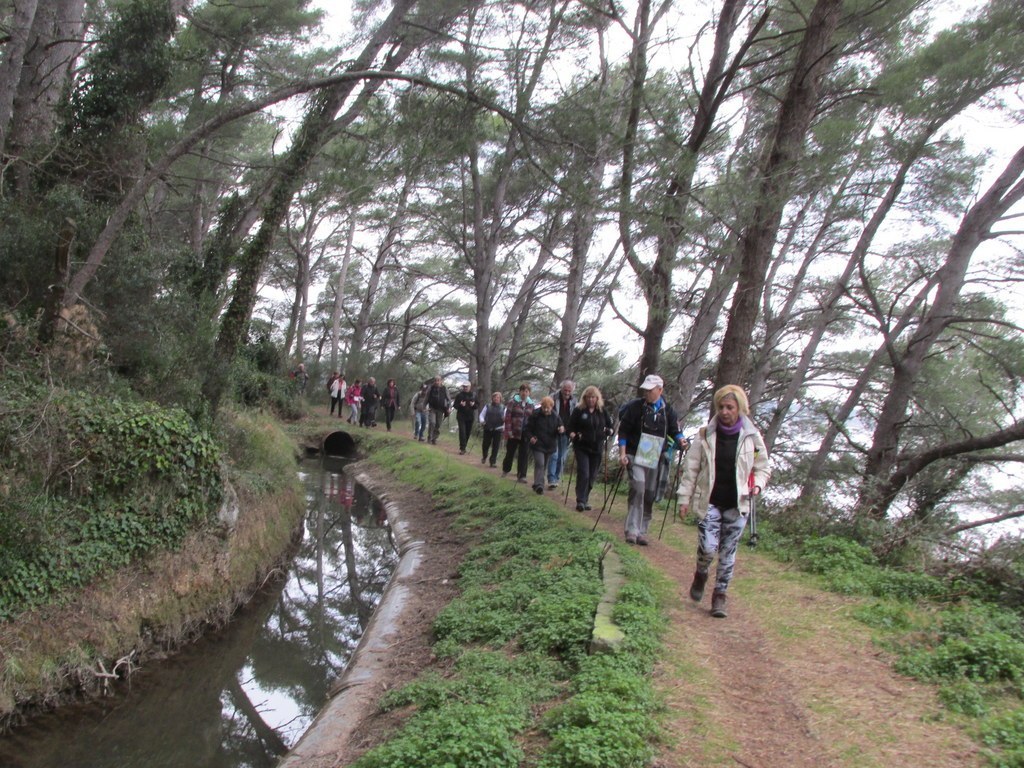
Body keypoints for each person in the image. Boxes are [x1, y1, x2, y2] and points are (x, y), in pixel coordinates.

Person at [678, 385, 770, 619]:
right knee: (708, 548)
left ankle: (720, 595)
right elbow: (692, 468)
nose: (725, 411)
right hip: (709, 501)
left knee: (728, 553)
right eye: (721, 407)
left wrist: (757, 485)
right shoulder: (705, 435)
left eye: (730, 407)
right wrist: (684, 498)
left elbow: (763, 468)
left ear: (740, 408)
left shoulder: (752, 437)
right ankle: (701, 572)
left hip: (738, 504)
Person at [617, 374, 685, 546]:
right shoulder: (635, 407)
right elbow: (623, 431)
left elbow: (674, 430)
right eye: (645, 390)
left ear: (660, 390)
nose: (646, 393)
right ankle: (632, 530)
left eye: (650, 390)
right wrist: (622, 454)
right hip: (634, 454)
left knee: (649, 493)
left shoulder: (667, 410)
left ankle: (642, 531)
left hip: (655, 456)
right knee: (638, 488)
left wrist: (681, 440)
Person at [568, 385, 614, 512]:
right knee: (584, 473)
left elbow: (610, 426)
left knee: (592, 475)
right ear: (585, 398)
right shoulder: (579, 410)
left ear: (597, 398)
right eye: (588, 397)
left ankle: (585, 498)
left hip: (597, 447)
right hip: (581, 446)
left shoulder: (602, 411)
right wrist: (573, 435)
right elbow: (570, 427)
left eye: (593, 397)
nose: (591, 400)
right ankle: (580, 501)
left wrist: (609, 431)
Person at [525, 396, 563, 494]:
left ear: (552, 407)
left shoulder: (555, 416)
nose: (546, 409)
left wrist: (561, 430)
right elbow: (528, 429)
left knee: (544, 465)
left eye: (548, 407)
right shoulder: (535, 415)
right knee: (540, 463)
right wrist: (531, 437)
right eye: (544, 407)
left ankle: (537, 483)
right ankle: (539, 485)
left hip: (550, 445)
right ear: (541, 406)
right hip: (538, 444)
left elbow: (560, 429)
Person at [502, 383, 534, 482]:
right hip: (514, 431)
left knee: (524, 454)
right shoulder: (513, 402)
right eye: (523, 391)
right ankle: (506, 469)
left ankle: (521, 475)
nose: (524, 393)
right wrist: (508, 431)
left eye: (526, 391)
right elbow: (507, 417)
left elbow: (533, 419)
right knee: (510, 452)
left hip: (525, 433)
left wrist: (532, 433)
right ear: (519, 391)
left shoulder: (531, 404)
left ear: (529, 393)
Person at [547, 379, 576, 489]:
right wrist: (557, 425)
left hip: (567, 432)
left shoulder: (574, 401)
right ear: (561, 388)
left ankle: (557, 477)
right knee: (554, 455)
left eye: (569, 390)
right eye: (565, 390)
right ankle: (551, 479)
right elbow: (547, 412)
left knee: (562, 457)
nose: (567, 393)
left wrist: (571, 430)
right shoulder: (553, 397)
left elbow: (574, 417)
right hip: (553, 430)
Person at [478, 392, 505, 467]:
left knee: (496, 446)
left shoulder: (503, 408)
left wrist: (504, 426)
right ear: (492, 398)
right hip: (488, 428)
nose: (496, 398)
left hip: (498, 429)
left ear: (500, 399)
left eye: (498, 397)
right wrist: (482, 421)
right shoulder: (487, 406)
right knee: (485, 444)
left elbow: (506, 419)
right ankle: (484, 455)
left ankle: (493, 461)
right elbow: (481, 415)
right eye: (495, 397)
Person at [452, 382, 478, 454]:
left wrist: (473, 405)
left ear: (470, 387)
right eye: (464, 386)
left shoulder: (474, 395)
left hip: (470, 417)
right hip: (461, 416)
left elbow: (477, 406)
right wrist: (460, 405)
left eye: (466, 386)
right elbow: (455, 406)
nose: (465, 388)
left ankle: (464, 446)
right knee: (462, 432)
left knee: (467, 432)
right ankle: (462, 448)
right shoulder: (459, 395)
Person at [426, 376, 451, 444]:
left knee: (438, 424)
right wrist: (424, 406)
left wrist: (449, 407)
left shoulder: (444, 388)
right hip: (432, 408)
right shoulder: (431, 388)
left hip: (441, 409)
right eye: (436, 380)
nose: (437, 382)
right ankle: (430, 437)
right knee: (432, 422)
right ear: (434, 381)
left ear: (441, 381)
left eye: (438, 380)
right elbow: (427, 397)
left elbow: (448, 399)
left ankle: (434, 438)